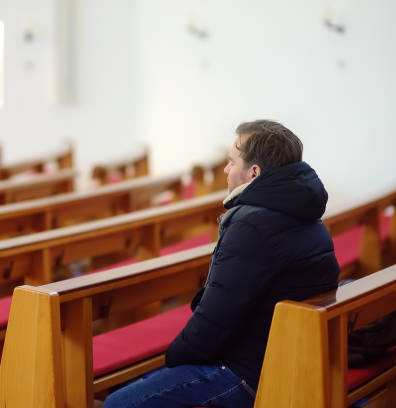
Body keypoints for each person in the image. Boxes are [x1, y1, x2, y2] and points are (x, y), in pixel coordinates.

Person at [103, 120, 340, 408]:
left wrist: (172, 362)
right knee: (138, 384)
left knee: (118, 404)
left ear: (254, 173)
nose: (226, 170)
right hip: (286, 358)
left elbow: (213, 324)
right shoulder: (306, 214)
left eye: (231, 162)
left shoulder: (252, 226)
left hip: (249, 374)